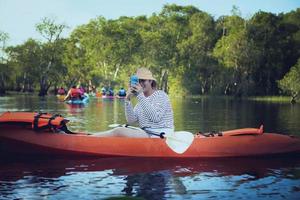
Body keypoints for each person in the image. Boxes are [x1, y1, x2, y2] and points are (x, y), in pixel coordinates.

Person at [95, 67, 174, 138]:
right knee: (118, 130)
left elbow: (155, 118)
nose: (140, 84)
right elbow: (131, 121)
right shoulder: (141, 101)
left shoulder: (161, 95)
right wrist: (127, 100)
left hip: (161, 134)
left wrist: (140, 95)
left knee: (119, 131)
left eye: (143, 80)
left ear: (150, 81)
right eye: (138, 81)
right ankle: (91, 137)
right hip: (148, 133)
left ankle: (91, 139)